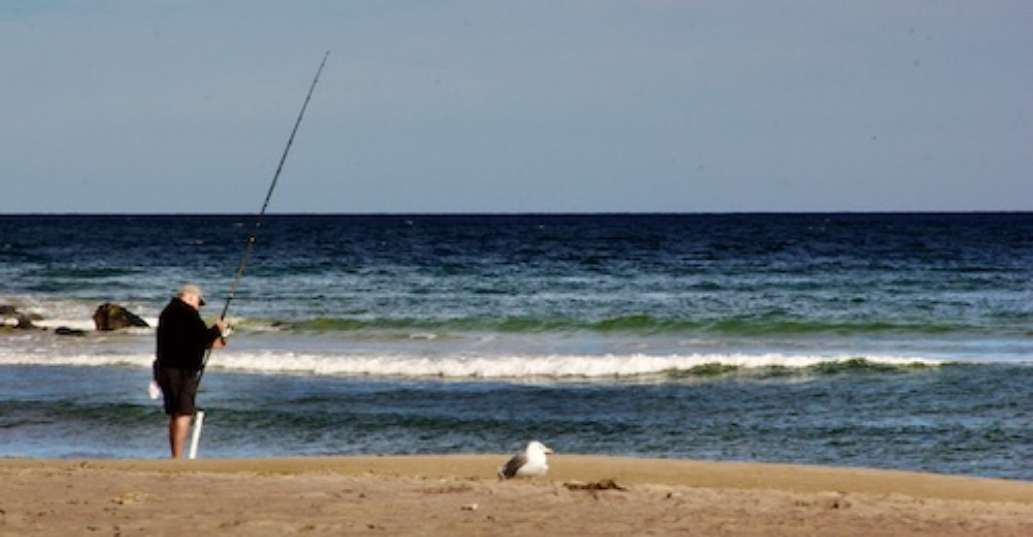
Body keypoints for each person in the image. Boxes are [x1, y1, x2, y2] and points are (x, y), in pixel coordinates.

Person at [154, 284, 226, 458]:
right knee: (184, 412)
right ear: (191, 297)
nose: (198, 307)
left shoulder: (167, 312)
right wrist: (218, 328)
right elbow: (202, 337)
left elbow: (187, 341)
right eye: (198, 303)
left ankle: (175, 455)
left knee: (175, 412)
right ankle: (177, 457)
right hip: (181, 371)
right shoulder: (188, 313)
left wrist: (212, 341)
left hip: (164, 368)